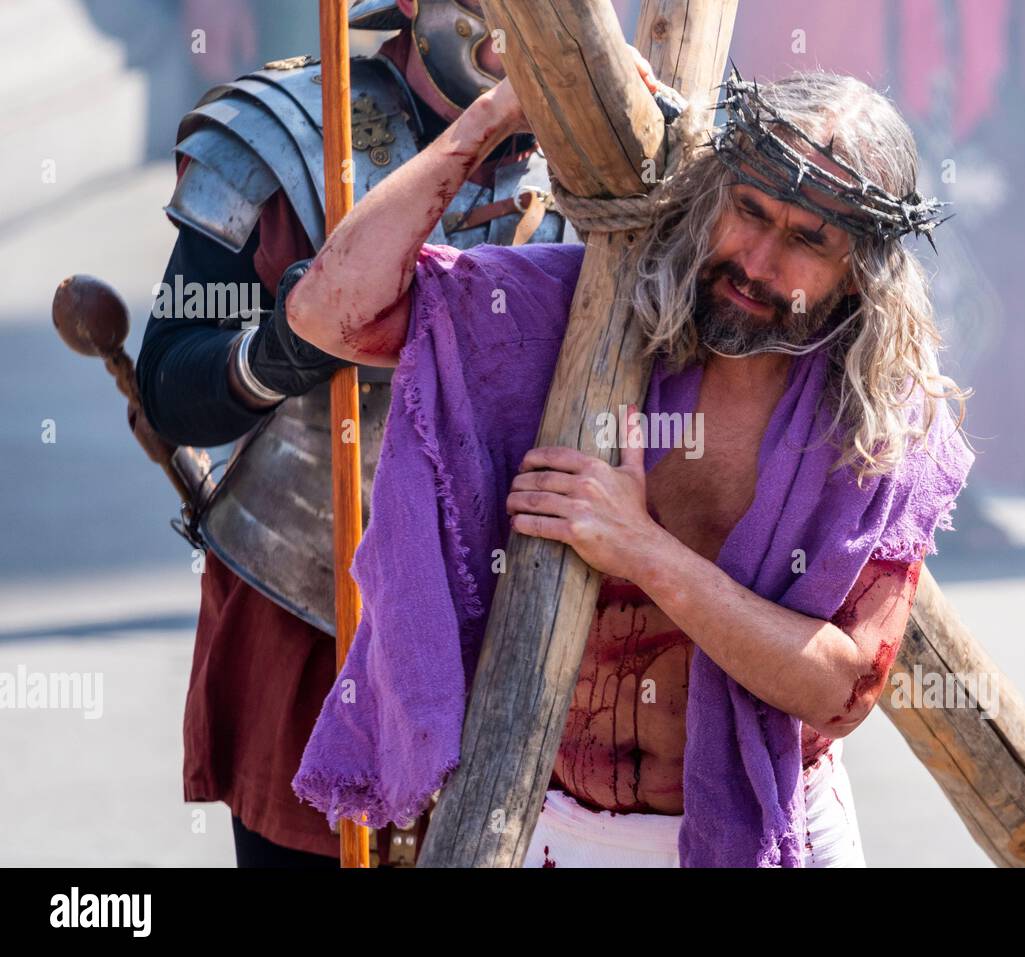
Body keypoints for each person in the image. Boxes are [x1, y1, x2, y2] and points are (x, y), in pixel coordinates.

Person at [288, 59, 974, 866]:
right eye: (747, 211)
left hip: (769, 831)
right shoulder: (571, 315)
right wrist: (490, 120)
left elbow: (840, 690)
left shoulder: (878, 421)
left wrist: (642, 549)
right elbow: (328, 315)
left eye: (805, 241)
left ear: (860, 268)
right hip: (540, 823)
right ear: (714, 195)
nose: (756, 261)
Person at [135, 0, 573, 867]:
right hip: (316, 617)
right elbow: (173, 383)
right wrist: (285, 348)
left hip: (553, 629)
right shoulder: (293, 129)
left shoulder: (621, 147)